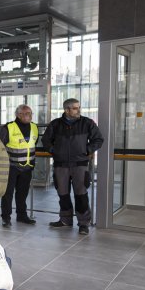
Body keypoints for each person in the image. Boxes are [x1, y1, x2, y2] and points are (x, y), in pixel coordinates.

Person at [41, 98, 104, 235]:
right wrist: (54, 150)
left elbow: (98, 139)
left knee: (81, 195)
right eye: (75, 108)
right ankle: (65, 220)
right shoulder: (55, 124)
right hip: (60, 165)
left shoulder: (87, 123)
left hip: (80, 165)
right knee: (62, 194)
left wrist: (87, 150)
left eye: (78, 107)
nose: (78, 110)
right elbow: (45, 140)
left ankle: (83, 224)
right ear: (67, 109)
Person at [0, 104, 38, 227]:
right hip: (11, 167)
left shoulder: (34, 127)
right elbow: (0, 146)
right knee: (7, 193)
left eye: (30, 113)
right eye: (26, 114)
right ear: (18, 115)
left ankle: (22, 215)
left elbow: (32, 143)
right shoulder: (8, 127)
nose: (29, 116)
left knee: (22, 193)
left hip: (27, 167)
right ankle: (6, 217)